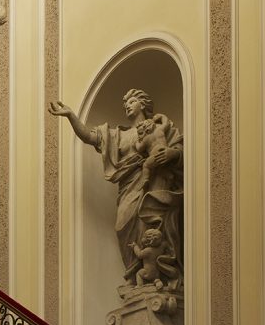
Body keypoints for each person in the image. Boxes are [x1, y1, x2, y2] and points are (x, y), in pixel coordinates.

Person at [48, 88, 183, 287]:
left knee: (152, 225)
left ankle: (156, 276)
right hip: (129, 187)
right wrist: (70, 116)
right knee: (122, 225)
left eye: (132, 101)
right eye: (125, 104)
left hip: (155, 182)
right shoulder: (119, 135)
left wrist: (173, 154)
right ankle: (137, 275)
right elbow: (89, 136)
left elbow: (180, 149)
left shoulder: (159, 126)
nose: (127, 105)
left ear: (143, 104)